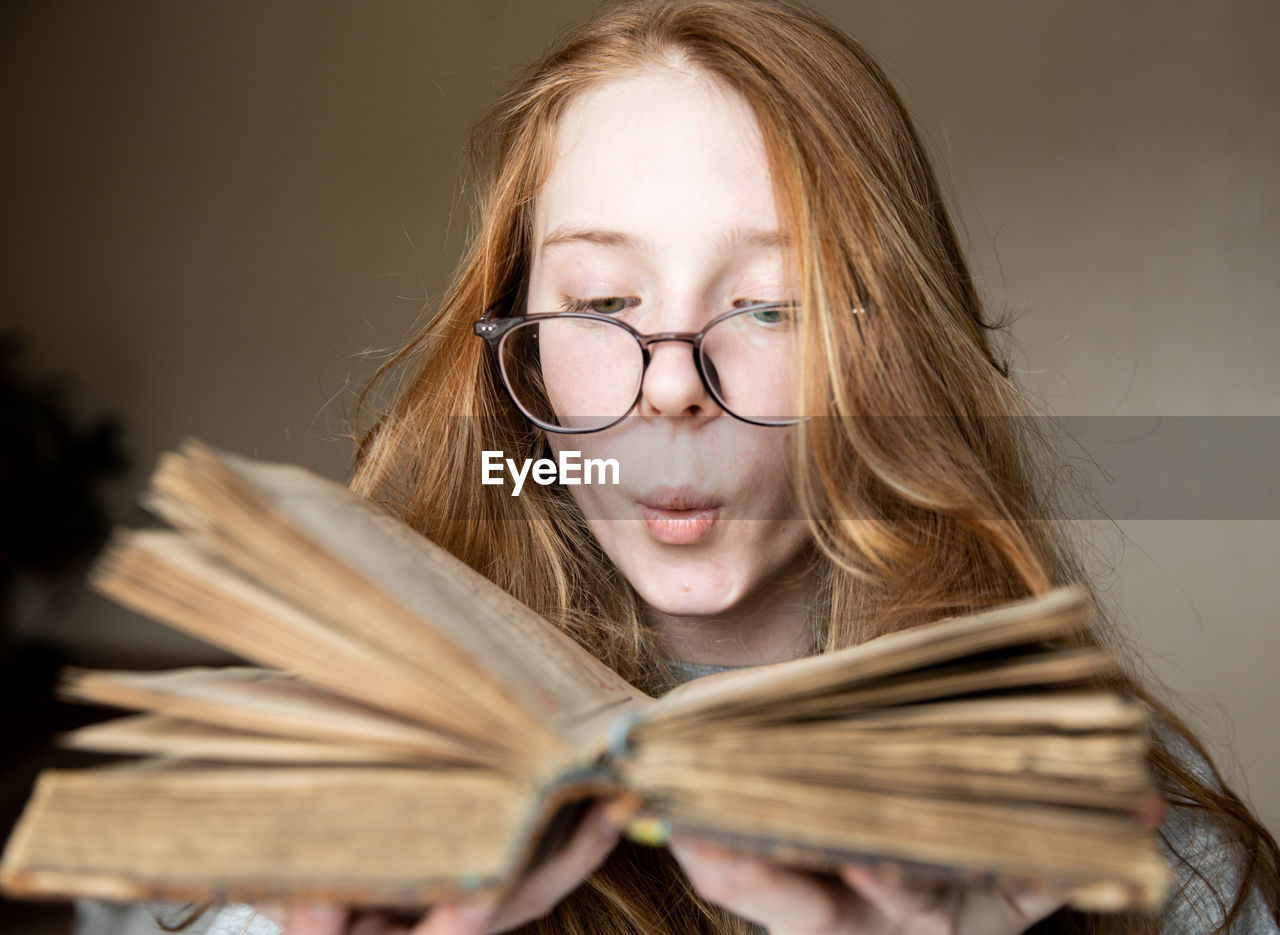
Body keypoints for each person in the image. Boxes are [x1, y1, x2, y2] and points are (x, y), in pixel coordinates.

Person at [160, 1, 1277, 934]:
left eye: (765, 304)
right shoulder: (343, 809)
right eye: (602, 303)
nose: (669, 388)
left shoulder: (1137, 832)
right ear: (528, 349)